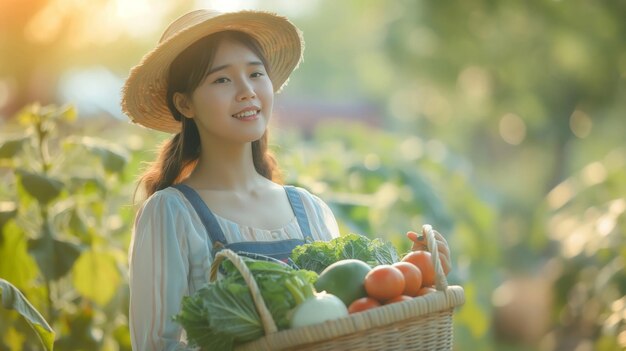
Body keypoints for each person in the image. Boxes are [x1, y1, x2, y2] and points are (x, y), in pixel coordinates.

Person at [121, 8, 451, 350]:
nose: (246, 90)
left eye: (255, 74)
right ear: (184, 103)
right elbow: (155, 346)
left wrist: (413, 271)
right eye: (222, 79)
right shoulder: (170, 214)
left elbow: (347, 317)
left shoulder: (310, 209)